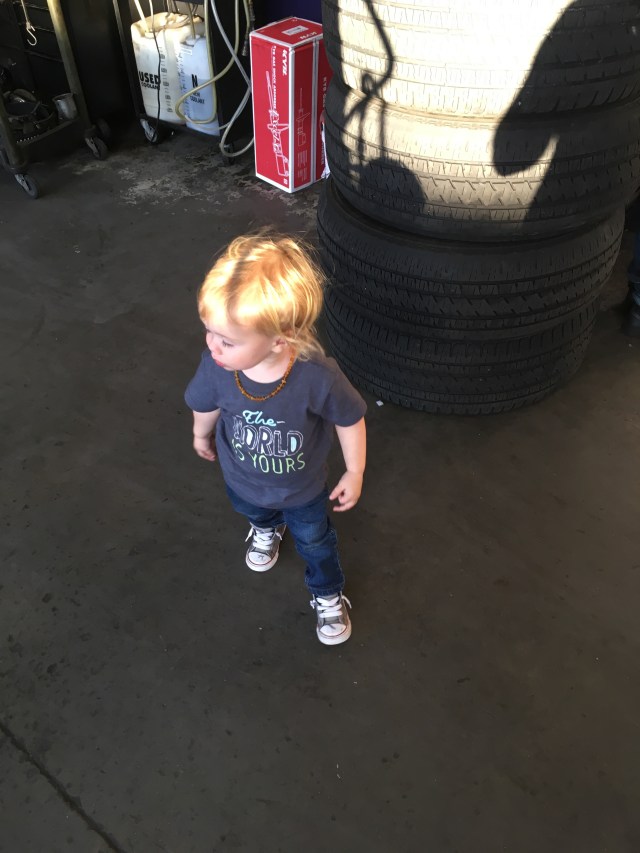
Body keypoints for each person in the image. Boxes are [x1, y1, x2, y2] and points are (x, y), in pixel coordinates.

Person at [184, 233, 367, 646]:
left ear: (280, 339)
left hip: (303, 491)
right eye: (208, 331)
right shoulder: (217, 367)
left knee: (316, 543)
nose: (212, 346)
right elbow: (204, 403)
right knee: (253, 511)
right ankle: (266, 528)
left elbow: (350, 418)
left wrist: (354, 470)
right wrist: (201, 433)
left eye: (227, 341)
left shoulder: (317, 377)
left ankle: (327, 592)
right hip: (241, 479)